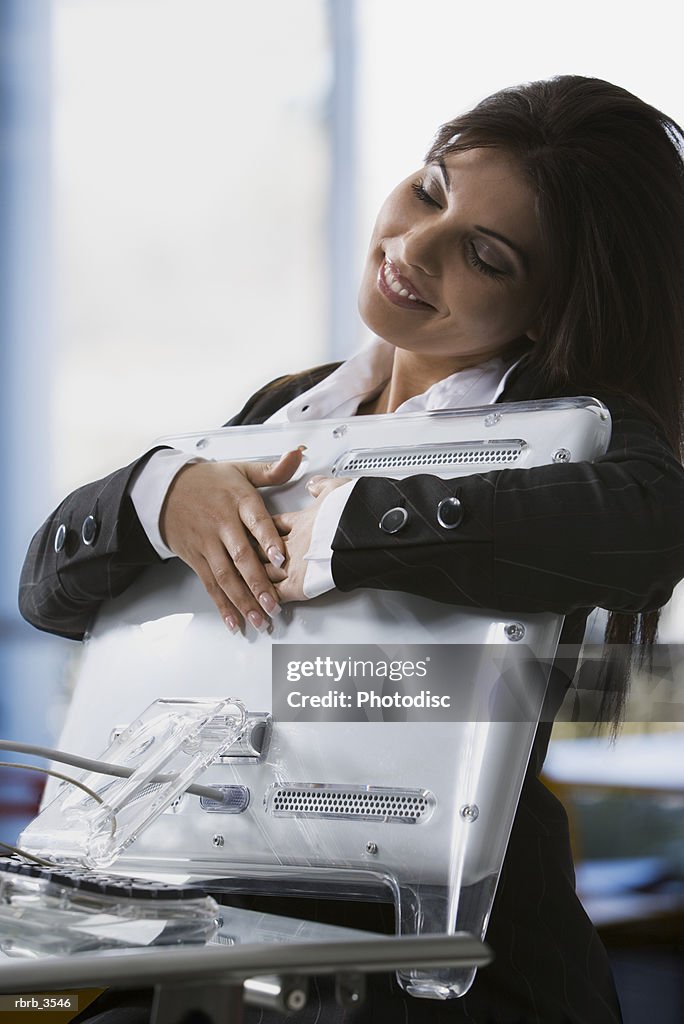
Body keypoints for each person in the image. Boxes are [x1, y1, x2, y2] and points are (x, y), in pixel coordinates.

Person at [18, 76, 684, 1024]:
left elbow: (651, 525)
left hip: (444, 966)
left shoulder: (566, 431)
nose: (412, 248)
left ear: (549, 307)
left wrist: (347, 530)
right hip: (211, 925)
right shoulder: (284, 409)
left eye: (483, 256)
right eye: (428, 190)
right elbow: (49, 592)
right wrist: (160, 492)